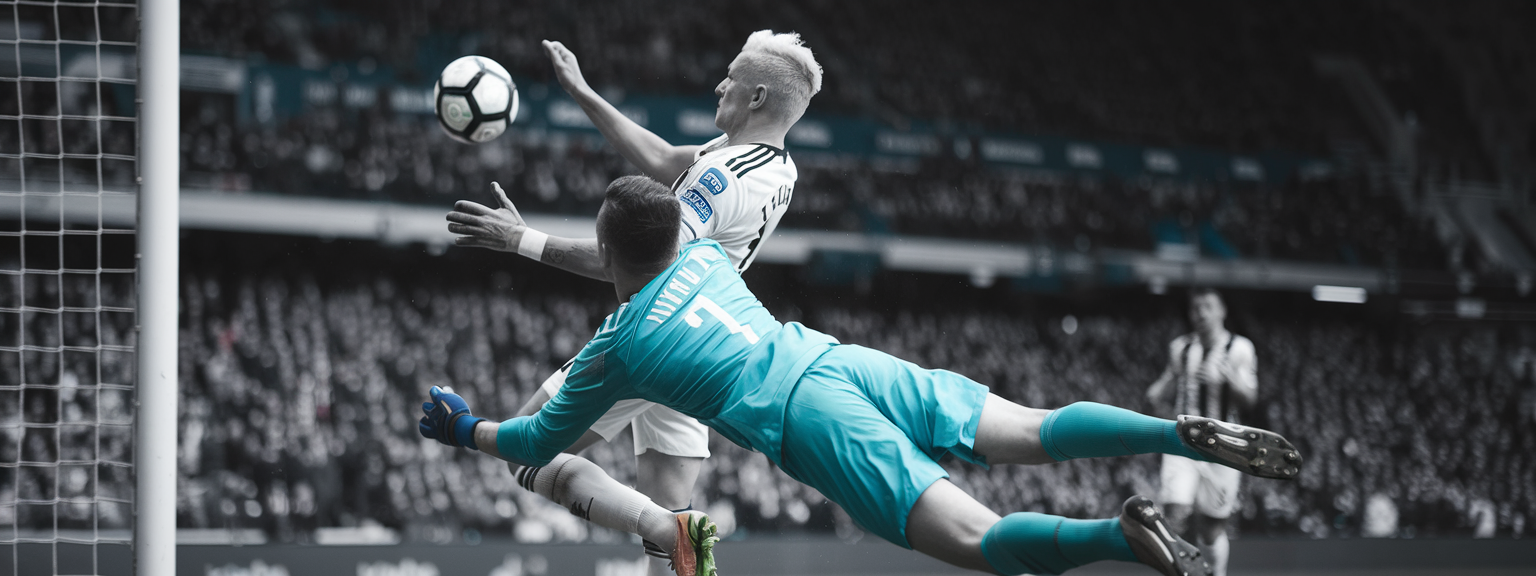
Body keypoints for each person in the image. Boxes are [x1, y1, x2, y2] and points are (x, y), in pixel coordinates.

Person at [422, 176, 1303, 576]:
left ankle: (1118, 538)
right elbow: (636, 235)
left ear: (606, 251)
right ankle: (1169, 434)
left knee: (979, 543)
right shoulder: (703, 254)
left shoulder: (616, 345)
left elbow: (536, 439)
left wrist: (465, 429)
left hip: (807, 421)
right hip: (840, 358)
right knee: (1028, 427)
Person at [445, 30, 821, 575]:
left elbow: (636, 260)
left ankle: (666, 529)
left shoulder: (722, 179)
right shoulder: (772, 165)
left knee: (527, 451)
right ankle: (671, 531)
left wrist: (517, 239)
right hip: (704, 335)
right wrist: (582, 92)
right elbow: (667, 157)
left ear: (757, 97)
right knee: (670, 532)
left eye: (732, 79)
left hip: (654, 330)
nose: (720, 86)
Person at [1146, 288, 1259, 576]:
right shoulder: (1181, 348)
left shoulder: (1240, 348)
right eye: (1196, 308)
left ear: (1222, 311)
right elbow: (1169, 381)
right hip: (1182, 442)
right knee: (1174, 514)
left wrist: (1229, 381)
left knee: (1211, 528)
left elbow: (1250, 399)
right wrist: (1158, 391)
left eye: (1208, 307)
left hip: (1224, 447)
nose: (1201, 314)